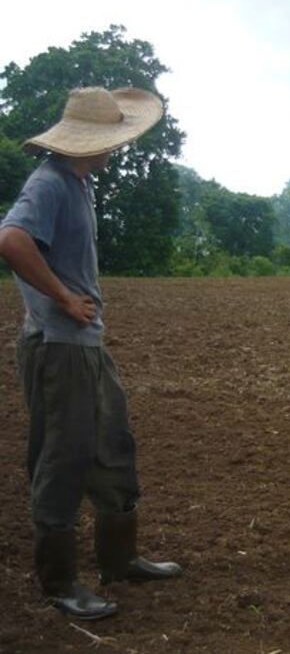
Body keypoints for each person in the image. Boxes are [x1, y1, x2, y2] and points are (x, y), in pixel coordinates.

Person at [0, 87, 182, 620]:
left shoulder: (78, 183)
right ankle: (59, 582)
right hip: (58, 346)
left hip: (84, 344)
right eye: (112, 141)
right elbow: (11, 239)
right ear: (89, 142)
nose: (117, 150)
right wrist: (61, 296)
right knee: (63, 456)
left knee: (113, 443)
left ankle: (119, 559)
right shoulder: (50, 184)